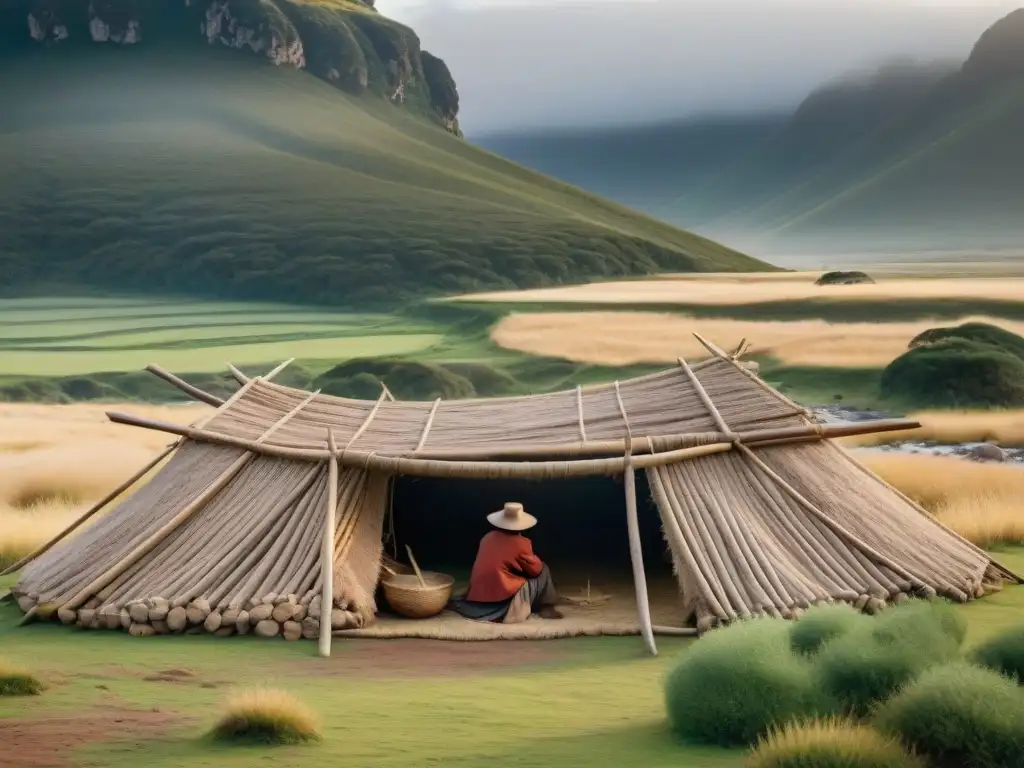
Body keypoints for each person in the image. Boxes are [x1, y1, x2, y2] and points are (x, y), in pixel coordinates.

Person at [451, 502, 563, 623]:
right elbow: (536, 570)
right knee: (544, 569)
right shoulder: (522, 543)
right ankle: (546, 606)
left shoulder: (487, 538)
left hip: (477, 597)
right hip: (503, 603)